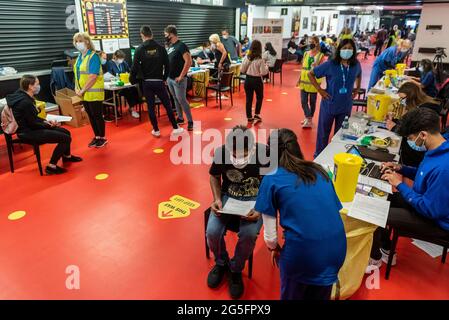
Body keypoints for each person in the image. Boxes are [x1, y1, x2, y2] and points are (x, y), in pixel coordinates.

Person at [253, 128, 346, 300]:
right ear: (297, 147)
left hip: (303, 256)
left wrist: (275, 249)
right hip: (337, 251)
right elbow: (330, 212)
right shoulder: (318, 170)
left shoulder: (271, 178)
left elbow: (270, 237)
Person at [368, 108, 449, 270]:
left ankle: (375, 258)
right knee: (383, 198)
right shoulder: (438, 147)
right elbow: (422, 173)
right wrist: (400, 168)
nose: (412, 142)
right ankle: (385, 246)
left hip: (435, 220)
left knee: (377, 212)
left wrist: (399, 184)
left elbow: (430, 210)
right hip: (425, 201)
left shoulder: (444, 168)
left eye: (412, 138)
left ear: (423, 135)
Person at [206, 126, 267, 299]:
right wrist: (217, 199)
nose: (238, 157)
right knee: (212, 231)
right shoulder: (222, 153)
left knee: (248, 235)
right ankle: (221, 262)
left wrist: (261, 209)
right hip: (227, 197)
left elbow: (271, 185)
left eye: (243, 153)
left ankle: (236, 269)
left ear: (253, 147)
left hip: (255, 200)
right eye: (234, 153)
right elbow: (213, 176)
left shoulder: (264, 154)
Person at [5, 75, 82, 175]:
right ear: (30, 86)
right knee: (65, 138)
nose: (39, 86)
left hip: (31, 127)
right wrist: (49, 125)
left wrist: (47, 122)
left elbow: (33, 119)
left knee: (66, 132)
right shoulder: (25, 102)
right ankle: (51, 166)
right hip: (28, 132)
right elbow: (33, 124)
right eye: (37, 84)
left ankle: (67, 157)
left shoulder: (23, 95)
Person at [308, 39, 362, 157]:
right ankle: (320, 156)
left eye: (350, 48)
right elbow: (310, 74)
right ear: (339, 50)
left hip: (345, 105)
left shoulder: (355, 65)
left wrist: (357, 88)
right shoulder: (330, 64)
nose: (347, 50)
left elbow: (359, 74)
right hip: (329, 104)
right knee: (323, 134)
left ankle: (337, 156)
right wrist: (320, 90)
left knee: (341, 134)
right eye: (344, 48)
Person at [130, 25, 183, 137]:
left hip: (147, 83)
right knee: (168, 105)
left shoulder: (139, 49)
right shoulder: (160, 48)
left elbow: (134, 67)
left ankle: (156, 130)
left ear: (142, 35)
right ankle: (175, 127)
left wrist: (132, 80)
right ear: (152, 34)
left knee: (150, 107)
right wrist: (164, 78)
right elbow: (167, 65)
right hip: (159, 81)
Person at [386, 82, 442, 167]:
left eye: (402, 98)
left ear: (410, 97)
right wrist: (395, 120)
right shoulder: (421, 105)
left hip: (416, 154)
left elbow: (411, 131)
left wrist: (394, 127)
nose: (401, 102)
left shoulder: (424, 110)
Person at [73, 32, 107, 148]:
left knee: (97, 115)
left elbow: (93, 76)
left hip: (93, 92)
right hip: (84, 93)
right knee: (90, 116)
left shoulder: (93, 56)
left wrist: (82, 90)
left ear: (87, 41)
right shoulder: (79, 57)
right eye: (76, 41)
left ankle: (102, 137)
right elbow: (78, 74)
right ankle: (97, 136)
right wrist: (76, 88)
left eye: (80, 41)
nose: (78, 43)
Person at [164, 25, 194, 131]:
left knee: (182, 100)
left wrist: (181, 76)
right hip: (170, 78)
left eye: (166, 34)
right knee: (175, 99)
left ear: (171, 34)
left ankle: (190, 121)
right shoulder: (170, 46)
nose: (165, 36)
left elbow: (188, 61)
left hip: (179, 79)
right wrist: (166, 77)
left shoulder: (182, 46)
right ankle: (180, 118)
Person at [297, 36, 325, 128]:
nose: (310, 43)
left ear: (317, 43)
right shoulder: (305, 53)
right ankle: (308, 117)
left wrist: (317, 65)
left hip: (314, 82)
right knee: (303, 101)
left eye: (312, 42)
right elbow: (303, 67)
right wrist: (299, 79)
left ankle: (309, 118)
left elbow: (322, 70)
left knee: (312, 102)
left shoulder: (320, 55)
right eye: (309, 42)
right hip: (304, 81)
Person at [241, 40, 269, 125]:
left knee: (249, 99)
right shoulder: (260, 59)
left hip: (248, 79)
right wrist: (267, 67)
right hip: (257, 80)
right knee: (259, 97)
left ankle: (249, 117)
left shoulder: (247, 57)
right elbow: (263, 72)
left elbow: (242, 70)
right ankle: (256, 114)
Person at [106, 50, 140, 119]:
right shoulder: (110, 63)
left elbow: (129, 71)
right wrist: (115, 78)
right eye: (119, 58)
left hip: (124, 85)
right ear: (115, 57)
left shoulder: (123, 63)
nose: (121, 60)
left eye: (122, 58)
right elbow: (108, 75)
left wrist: (129, 75)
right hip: (115, 86)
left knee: (133, 89)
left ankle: (132, 108)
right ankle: (128, 109)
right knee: (128, 91)